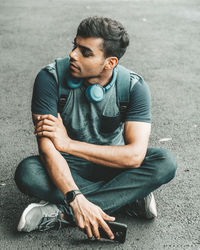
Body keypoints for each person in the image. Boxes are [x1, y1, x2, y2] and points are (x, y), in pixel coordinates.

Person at [15, 16, 177, 241]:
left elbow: (134, 156)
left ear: (110, 63)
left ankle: (60, 214)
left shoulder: (133, 86)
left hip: (112, 164)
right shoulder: (49, 78)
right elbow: (48, 150)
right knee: (28, 172)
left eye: (86, 52)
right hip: (67, 166)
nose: (73, 54)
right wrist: (75, 197)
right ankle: (128, 197)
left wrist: (68, 144)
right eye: (75, 46)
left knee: (164, 163)